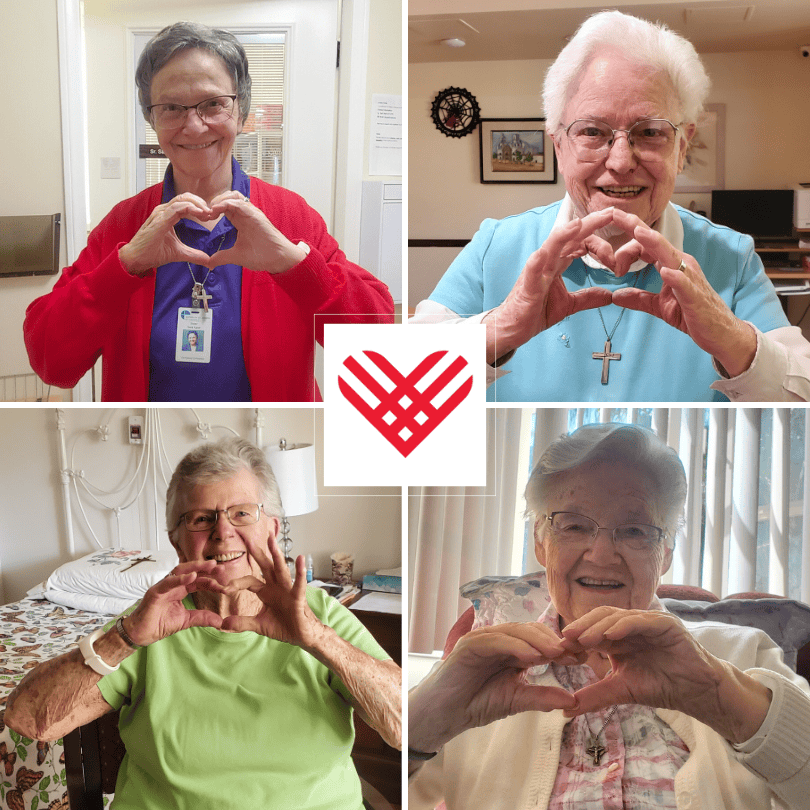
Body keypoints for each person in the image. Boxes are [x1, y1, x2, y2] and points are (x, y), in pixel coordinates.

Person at [410, 11, 810, 402]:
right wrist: (503, 326)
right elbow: (399, 387)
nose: (620, 161)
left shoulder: (732, 256)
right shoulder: (495, 244)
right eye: (591, 131)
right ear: (558, 146)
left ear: (682, 147)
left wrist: (732, 340)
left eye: (650, 132)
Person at [409, 423, 810, 809]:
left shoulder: (742, 653)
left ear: (666, 552)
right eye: (574, 525)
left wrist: (720, 697)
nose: (601, 554)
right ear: (541, 544)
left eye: (635, 531)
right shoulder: (482, 667)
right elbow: (374, 788)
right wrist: (419, 723)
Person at [6, 437, 401, 810]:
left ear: (273, 530)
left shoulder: (322, 616)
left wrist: (317, 639)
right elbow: (27, 720)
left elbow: (405, 727)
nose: (223, 531)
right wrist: (121, 640)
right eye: (200, 518)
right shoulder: (147, 623)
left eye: (242, 513)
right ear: (177, 542)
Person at [24, 22, 394, 402]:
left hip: (265, 451)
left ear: (240, 108)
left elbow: (374, 347)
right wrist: (125, 266)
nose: (195, 125)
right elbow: (52, 362)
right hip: (152, 453)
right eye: (171, 108)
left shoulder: (289, 217)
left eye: (213, 103)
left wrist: (296, 265)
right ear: (152, 118)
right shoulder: (124, 225)